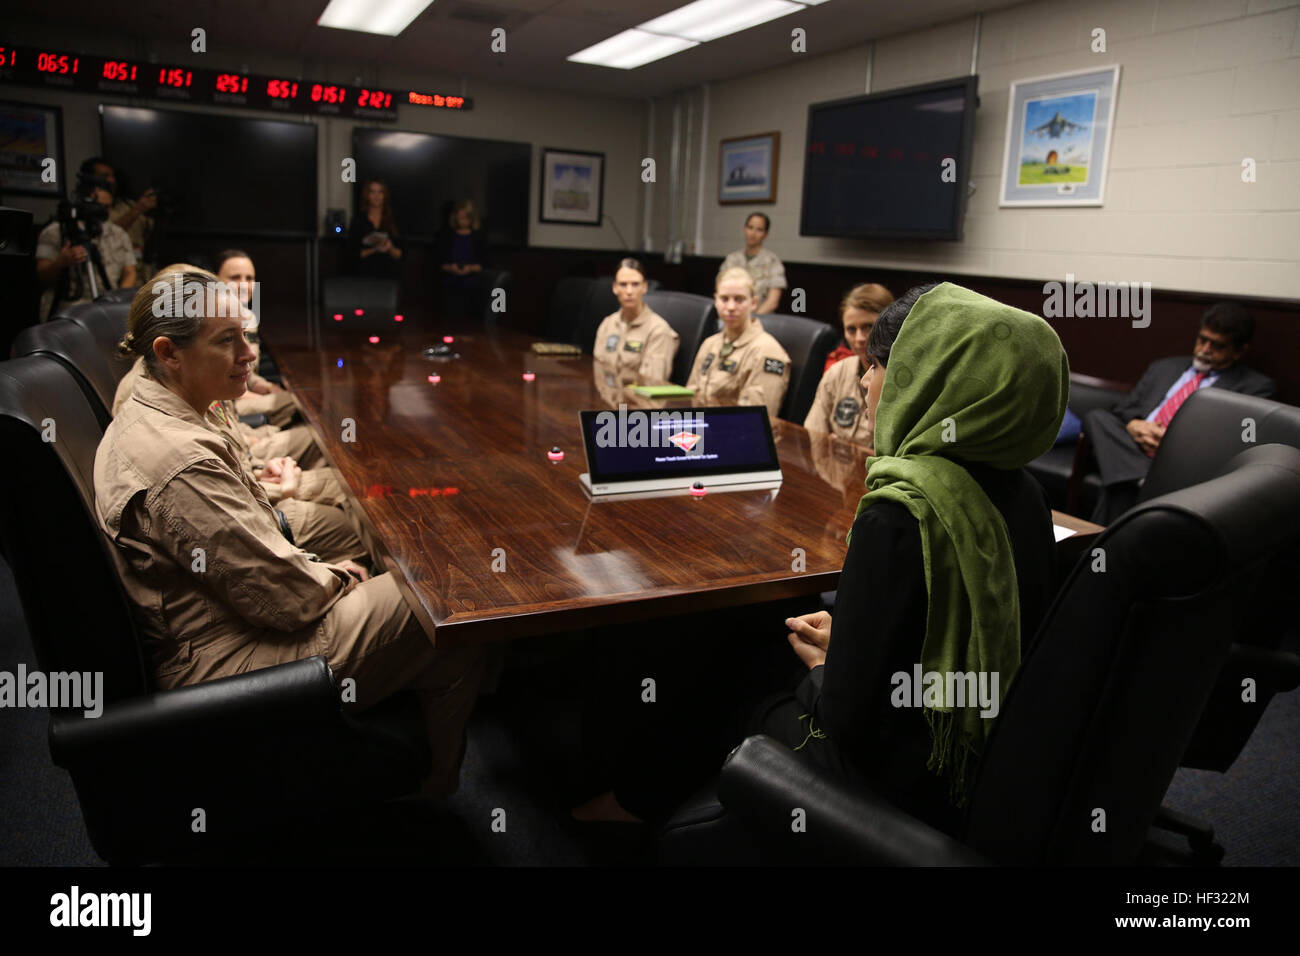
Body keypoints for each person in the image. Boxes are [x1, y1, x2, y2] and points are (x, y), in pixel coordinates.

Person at [581, 283, 1067, 830]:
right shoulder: (1025, 492)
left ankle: (643, 803)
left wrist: (825, 664)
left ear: (931, 378)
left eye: (882, 364)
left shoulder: (899, 509)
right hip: (981, 752)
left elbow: (845, 719)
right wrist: (854, 646)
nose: (865, 379)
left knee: (728, 662)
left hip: (890, 770)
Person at [95, 269, 484, 796]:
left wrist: (275, 503)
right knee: (442, 595)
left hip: (229, 616)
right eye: (227, 341)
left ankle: (406, 721)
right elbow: (286, 599)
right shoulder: (177, 459)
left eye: (245, 335)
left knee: (410, 588)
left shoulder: (165, 394)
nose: (248, 354)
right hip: (222, 659)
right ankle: (432, 786)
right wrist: (343, 580)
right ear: (168, 352)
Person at [1083, 303, 1276, 525]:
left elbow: (1234, 441)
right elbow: (1124, 411)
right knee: (1096, 417)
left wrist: (1174, 440)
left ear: (1239, 351)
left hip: (1179, 458)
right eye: (1202, 339)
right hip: (1133, 445)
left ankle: (1133, 482)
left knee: (1119, 485)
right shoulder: (1164, 367)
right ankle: (1142, 477)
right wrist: (1134, 426)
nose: (1205, 349)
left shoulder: (1255, 387)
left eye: (1217, 346)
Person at [34, 166, 137, 320]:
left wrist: (118, 302)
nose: (101, 213)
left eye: (106, 208)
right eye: (98, 207)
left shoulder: (118, 234)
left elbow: (130, 271)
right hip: (67, 311)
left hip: (107, 309)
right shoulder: (57, 231)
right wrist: (61, 262)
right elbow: (41, 274)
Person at [686, 267, 790, 420]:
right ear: (715, 300)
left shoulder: (768, 352)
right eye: (724, 299)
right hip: (701, 428)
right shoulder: (710, 344)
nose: (730, 307)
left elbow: (754, 420)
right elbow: (690, 397)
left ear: (753, 303)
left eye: (739, 299)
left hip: (736, 435)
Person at [804, 283, 896, 450]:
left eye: (868, 327)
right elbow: (813, 438)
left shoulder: (903, 377)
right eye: (851, 330)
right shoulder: (836, 373)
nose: (859, 338)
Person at [215, 249, 298, 429]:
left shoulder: (249, 318)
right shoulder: (213, 323)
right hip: (225, 404)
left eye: (249, 278)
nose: (243, 285)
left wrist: (268, 387)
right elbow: (218, 384)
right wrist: (264, 398)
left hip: (244, 394)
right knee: (300, 405)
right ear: (216, 281)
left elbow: (247, 374)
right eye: (235, 278)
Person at [591, 258, 679, 394]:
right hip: (609, 400)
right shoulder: (608, 324)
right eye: (623, 284)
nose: (629, 291)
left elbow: (651, 386)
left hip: (637, 409)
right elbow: (598, 372)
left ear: (645, 287)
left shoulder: (658, 330)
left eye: (635, 284)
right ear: (615, 288)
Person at [82, 157, 156, 276]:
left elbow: (148, 238)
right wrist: (138, 209)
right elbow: (107, 234)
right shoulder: (88, 211)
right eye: (105, 176)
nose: (111, 180)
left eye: (112, 176)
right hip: (109, 272)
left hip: (137, 270)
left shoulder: (128, 205)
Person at [717, 213, 786, 315]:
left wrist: (752, 321)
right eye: (750, 227)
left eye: (759, 230)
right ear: (745, 229)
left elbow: (772, 302)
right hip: (731, 316)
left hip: (761, 319)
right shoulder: (732, 259)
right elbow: (721, 292)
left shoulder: (772, 262)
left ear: (765, 234)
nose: (753, 233)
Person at [435, 199, 488, 322]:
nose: (462, 221)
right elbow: (438, 261)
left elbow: (486, 262)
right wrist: (450, 267)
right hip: (449, 285)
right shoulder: (445, 235)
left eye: (466, 218)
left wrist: (470, 268)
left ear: (472, 218)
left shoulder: (480, 236)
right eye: (460, 218)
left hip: (473, 286)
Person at [346, 179, 404, 280]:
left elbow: (401, 254)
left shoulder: (394, 220)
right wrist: (374, 250)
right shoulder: (358, 221)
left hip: (389, 274)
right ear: (367, 196)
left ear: (385, 195)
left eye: (380, 192)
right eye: (372, 192)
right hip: (364, 274)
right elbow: (352, 254)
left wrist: (389, 247)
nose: (376, 196)